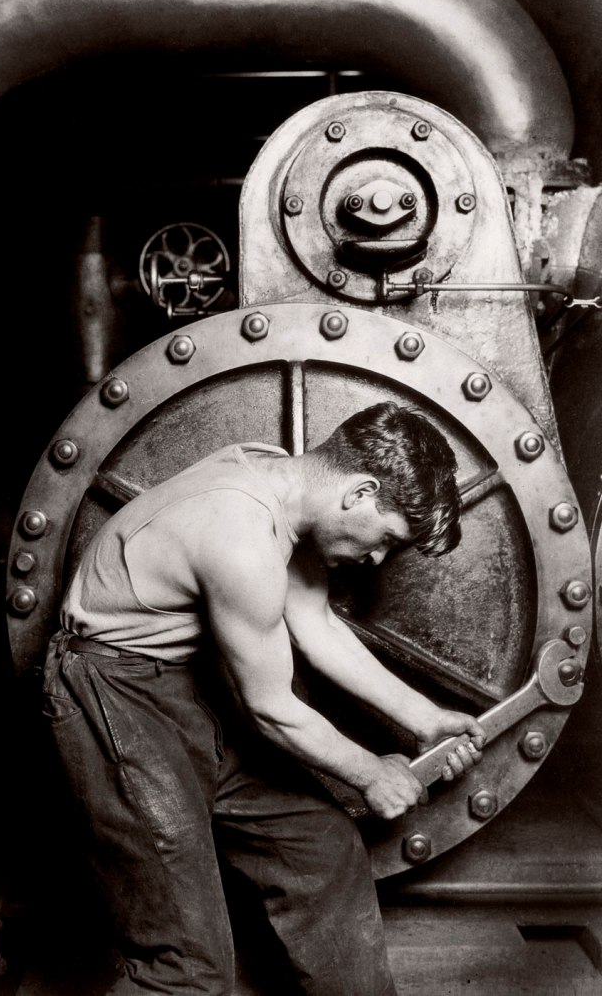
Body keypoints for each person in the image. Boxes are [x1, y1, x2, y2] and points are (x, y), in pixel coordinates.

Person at [43, 401, 486, 996]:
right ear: (360, 491)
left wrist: (426, 719)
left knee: (321, 854)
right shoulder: (240, 534)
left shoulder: (281, 480)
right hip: (114, 697)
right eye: (385, 538)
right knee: (188, 966)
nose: (377, 559)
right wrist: (370, 772)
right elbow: (271, 708)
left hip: (186, 687)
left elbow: (314, 621)